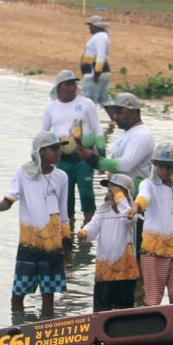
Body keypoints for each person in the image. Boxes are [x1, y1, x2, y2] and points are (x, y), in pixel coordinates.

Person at [0, 131, 70, 318]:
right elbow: (9, 200)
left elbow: (64, 213)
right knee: (19, 291)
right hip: (29, 244)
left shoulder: (62, 177)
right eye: (54, 149)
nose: (59, 152)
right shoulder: (23, 173)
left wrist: (67, 244)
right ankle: (17, 327)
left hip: (52, 246)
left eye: (59, 148)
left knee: (48, 294)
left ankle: (45, 329)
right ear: (41, 152)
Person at [125, 143, 173, 305]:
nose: (164, 170)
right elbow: (144, 197)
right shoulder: (148, 185)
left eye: (169, 166)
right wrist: (136, 207)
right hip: (154, 251)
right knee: (153, 298)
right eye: (160, 166)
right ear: (154, 165)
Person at [41, 70, 104, 232]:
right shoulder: (51, 107)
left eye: (74, 84)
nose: (72, 87)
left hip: (84, 160)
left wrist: (101, 159)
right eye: (68, 84)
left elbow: (97, 131)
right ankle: (68, 232)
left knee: (87, 195)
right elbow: (43, 134)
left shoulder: (86, 104)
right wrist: (40, 161)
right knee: (65, 200)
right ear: (59, 87)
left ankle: (88, 230)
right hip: (61, 161)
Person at [78, 174, 140, 311]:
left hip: (126, 272)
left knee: (124, 309)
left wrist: (120, 199)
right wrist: (84, 233)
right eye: (109, 191)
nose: (111, 195)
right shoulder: (103, 211)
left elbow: (129, 219)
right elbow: (93, 226)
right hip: (105, 271)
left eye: (115, 192)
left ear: (126, 195)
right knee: (101, 309)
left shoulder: (129, 213)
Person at [79, 92, 153, 186]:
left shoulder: (141, 136)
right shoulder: (128, 132)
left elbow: (126, 165)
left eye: (120, 113)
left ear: (134, 112)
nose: (115, 117)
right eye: (114, 113)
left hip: (134, 195)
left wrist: (95, 160)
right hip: (120, 192)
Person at [80, 16, 112, 105]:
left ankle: (88, 119)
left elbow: (100, 55)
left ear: (97, 26)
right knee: (105, 100)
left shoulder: (99, 37)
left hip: (94, 74)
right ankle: (115, 118)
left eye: (91, 25)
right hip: (103, 72)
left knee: (88, 102)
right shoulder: (102, 36)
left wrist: (97, 73)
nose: (89, 28)